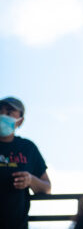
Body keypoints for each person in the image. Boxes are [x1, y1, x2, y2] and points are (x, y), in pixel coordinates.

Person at [0, 96, 51, 229]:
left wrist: (30, 180)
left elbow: (47, 188)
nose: (2, 115)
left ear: (20, 121)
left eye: (9, 112)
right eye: (0, 111)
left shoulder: (28, 148)